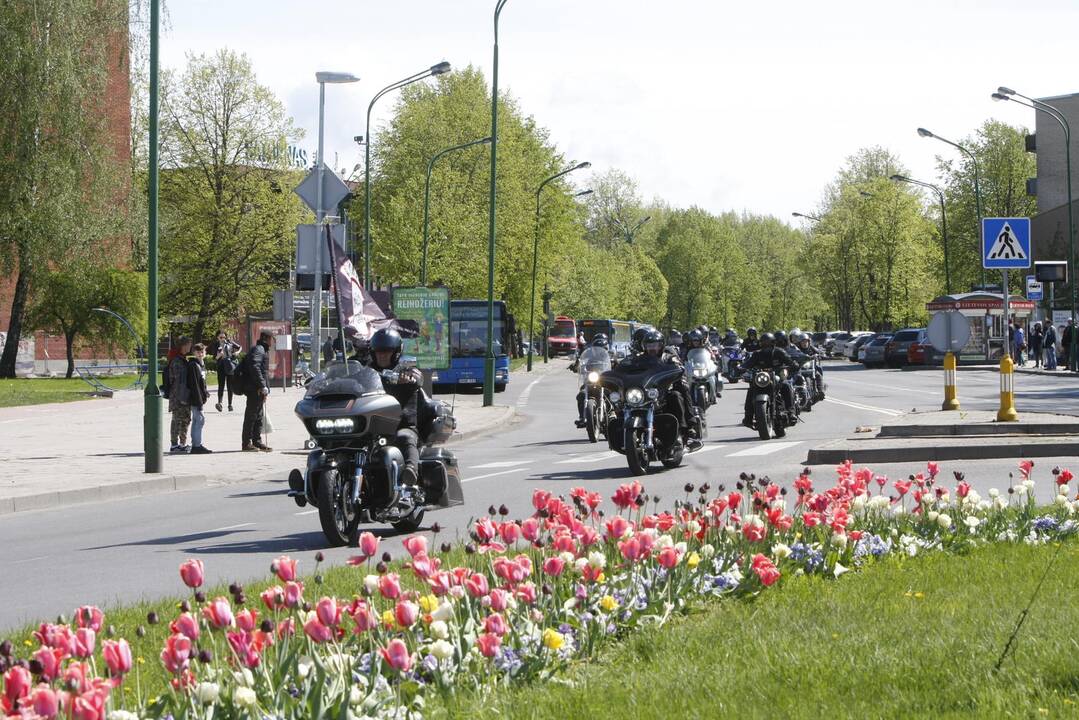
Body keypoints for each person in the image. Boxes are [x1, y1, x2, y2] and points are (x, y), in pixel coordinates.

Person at [367, 328, 423, 486]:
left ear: (396, 353)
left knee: (406, 437)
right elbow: (354, 381)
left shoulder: (405, 369)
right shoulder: (368, 371)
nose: (382, 355)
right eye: (378, 351)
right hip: (373, 426)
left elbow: (418, 378)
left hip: (401, 424)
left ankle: (411, 470)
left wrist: (409, 379)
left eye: (387, 351)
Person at [741, 332, 799, 429]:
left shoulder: (779, 352)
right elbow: (748, 363)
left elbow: (789, 361)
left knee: (786, 385)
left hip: (776, 377)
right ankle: (748, 417)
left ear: (773, 343)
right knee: (751, 390)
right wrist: (740, 367)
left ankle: (791, 412)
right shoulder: (757, 354)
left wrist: (794, 365)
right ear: (760, 344)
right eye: (764, 343)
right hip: (762, 378)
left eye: (768, 343)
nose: (766, 345)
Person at [242, 330, 273, 452]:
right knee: (251, 415)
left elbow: (261, 370)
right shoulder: (259, 349)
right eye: (271, 339)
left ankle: (257, 441)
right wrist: (262, 385)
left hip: (259, 389)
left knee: (259, 416)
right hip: (255, 389)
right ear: (266, 338)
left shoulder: (262, 349)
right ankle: (247, 443)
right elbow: (254, 367)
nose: (272, 341)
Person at [575, 334, 612, 427]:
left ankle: (614, 414)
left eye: (601, 348)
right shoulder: (590, 359)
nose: (598, 351)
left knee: (614, 395)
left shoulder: (610, 358)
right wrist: (577, 366)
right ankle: (582, 417)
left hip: (606, 383)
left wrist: (617, 365)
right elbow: (582, 365)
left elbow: (617, 366)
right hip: (591, 382)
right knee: (581, 395)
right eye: (596, 349)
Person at [168, 337, 193, 453]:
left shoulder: (182, 359)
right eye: (189, 344)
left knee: (186, 420)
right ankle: (174, 445)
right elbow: (177, 380)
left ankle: (182, 444)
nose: (190, 347)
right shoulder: (176, 360)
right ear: (183, 346)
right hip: (178, 396)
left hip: (184, 395)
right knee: (177, 420)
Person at [187, 343, 212, 454]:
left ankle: (195, 444)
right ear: (194, 353)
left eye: (202, 351)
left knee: (197, 420)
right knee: (200, 420)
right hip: (195, 399)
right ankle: (196, 446)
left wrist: (205, 392)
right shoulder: (193, 365)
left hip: (200, 397)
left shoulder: (201, 364)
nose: (200, 354)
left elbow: (202, 382)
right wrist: (199, 401)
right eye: (198, 352)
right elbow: (195, 385)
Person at [212, 331, 240, 412]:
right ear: (217, 337)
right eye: (220, 337)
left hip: (229, 366)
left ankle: (230, 405)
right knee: (221, 385)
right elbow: (214, 358)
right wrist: (218, 356)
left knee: (230, 386)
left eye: (224, 337)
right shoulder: (215, 345)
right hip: (221, 366)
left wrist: (237, 352)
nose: (222, 339)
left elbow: (239, 347)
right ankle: (220, 403)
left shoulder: (230, 342)